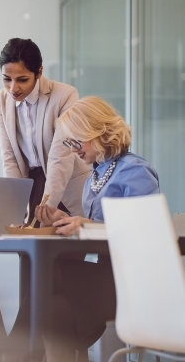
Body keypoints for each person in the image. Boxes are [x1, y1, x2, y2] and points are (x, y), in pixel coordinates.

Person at [31, 96, 160, 361]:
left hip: (131, 281)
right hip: (107, 274)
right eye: (68, 143)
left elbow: (144, 230)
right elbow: (97, 227)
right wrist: (58, 218)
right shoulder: (97, 175)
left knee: (47, 285)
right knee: (51, 297)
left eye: (75, 140)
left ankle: (18, 350)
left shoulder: (134, 170)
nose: (72, 149)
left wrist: (88, 225)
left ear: (96, 132)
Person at [0, 38, 90, 225]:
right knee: (29, 251)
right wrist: (15, 205)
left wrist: (47, 206)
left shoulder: (65, 95)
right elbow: (9, 156)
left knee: (63, 250)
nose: (13, 88)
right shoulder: (1, 100)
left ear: (39, 72)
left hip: (66, 182)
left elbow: (60, 157)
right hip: (33, 183)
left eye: (22, 80)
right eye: (7, 79)